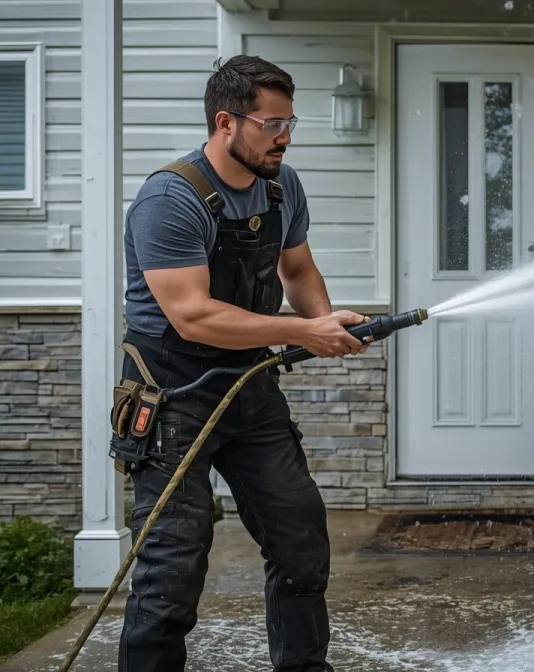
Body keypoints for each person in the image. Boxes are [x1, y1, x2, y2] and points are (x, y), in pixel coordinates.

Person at [112, 55, 366, 672]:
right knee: (173, 562)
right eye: (271, 124)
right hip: (172, 391)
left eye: (290, 123)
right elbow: (193, 315)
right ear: (227, 122)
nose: (284, 137)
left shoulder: (281, 186)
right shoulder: (171, 198)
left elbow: (297, 269)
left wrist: (324, 321)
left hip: (248, 385)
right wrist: (303, 329)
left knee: (300, 537)